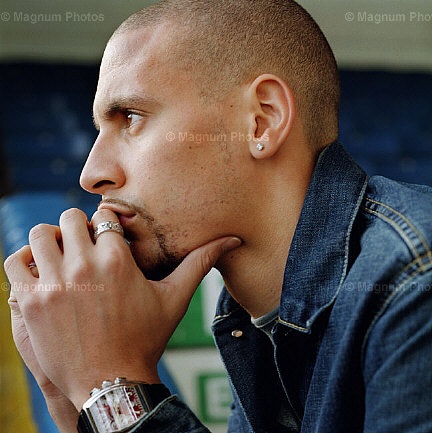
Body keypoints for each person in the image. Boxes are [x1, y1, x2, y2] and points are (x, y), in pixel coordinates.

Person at [4, 0, 432, 432]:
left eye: (130, 117)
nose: (91, 174)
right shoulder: (250, 318)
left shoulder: (415, 279)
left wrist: (111, 383)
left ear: (261, 121)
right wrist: (68, 393)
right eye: (100, 131)